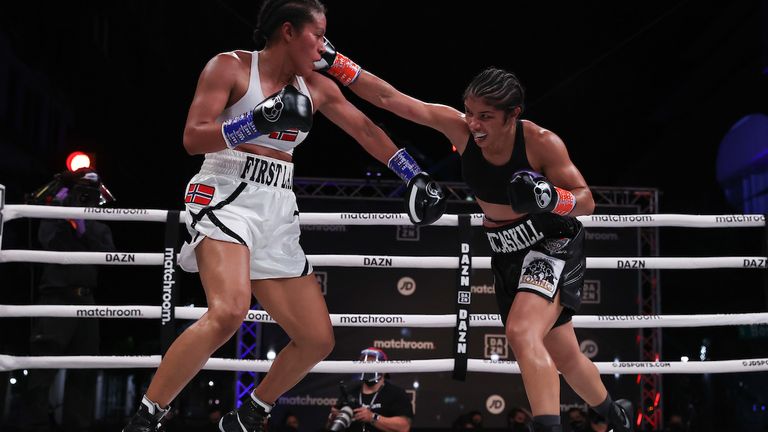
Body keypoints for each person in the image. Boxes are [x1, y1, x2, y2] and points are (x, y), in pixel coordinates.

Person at [122, 2, 446, 432]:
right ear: (289, 31)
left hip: (276, 203)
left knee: (316, 338)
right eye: (318, 34)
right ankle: (146, 417)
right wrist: (256, 122)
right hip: (225, 191)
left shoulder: (315, 85)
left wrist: (413, 174)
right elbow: (192, 137)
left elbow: (366, 129)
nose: (325, 45)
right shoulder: (231, 67)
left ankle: (251, 413)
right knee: (229, 311)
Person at [314, 42, 634, 432]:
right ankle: (617, 416)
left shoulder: (541, 143)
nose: (474, 123)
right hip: (506, 252)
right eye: (469, 112)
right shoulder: (461, 131)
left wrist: (552, 197)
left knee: (520, 331)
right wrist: (336, 63)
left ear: (512, 115)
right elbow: (390, 99)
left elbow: (587, 202)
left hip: (551, 243)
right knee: (564, 355)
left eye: (485, 115)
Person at [21, 167, 116, 432]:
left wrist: (83, 228)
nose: (84, 194)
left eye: (89, 190)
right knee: (42, 369)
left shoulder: (98, 226)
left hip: (86, 302)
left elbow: (109, 256)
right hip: (55, 298)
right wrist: (66, 216)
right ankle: (34, 426)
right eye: (81, 188)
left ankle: (79, 426)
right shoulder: (54, 218)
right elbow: (46, 243)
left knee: (85, 370)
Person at [327, 348, 413, 432]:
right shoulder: (350, 393)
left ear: (385, 369)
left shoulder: (396, 394)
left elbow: (404, 427)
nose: (368, 369)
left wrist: (372, 417)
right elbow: (329, 426)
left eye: (373, 364)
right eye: (365, 364)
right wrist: (334, 419)